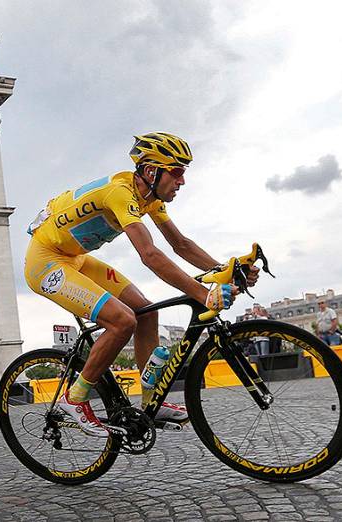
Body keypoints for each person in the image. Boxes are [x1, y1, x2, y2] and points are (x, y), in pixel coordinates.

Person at [24, 132, 259, 437]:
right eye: (177, 172)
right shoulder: (120, 193)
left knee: (147, 312)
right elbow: (149, 255)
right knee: (122, 320)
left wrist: (225, 269)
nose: (182, 182)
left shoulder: (150, 199)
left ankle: (150, 401)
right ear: (151, 171)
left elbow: (181, 245)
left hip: (75, 259)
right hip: (46, 263)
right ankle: (75, 397)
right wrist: (203, 293)